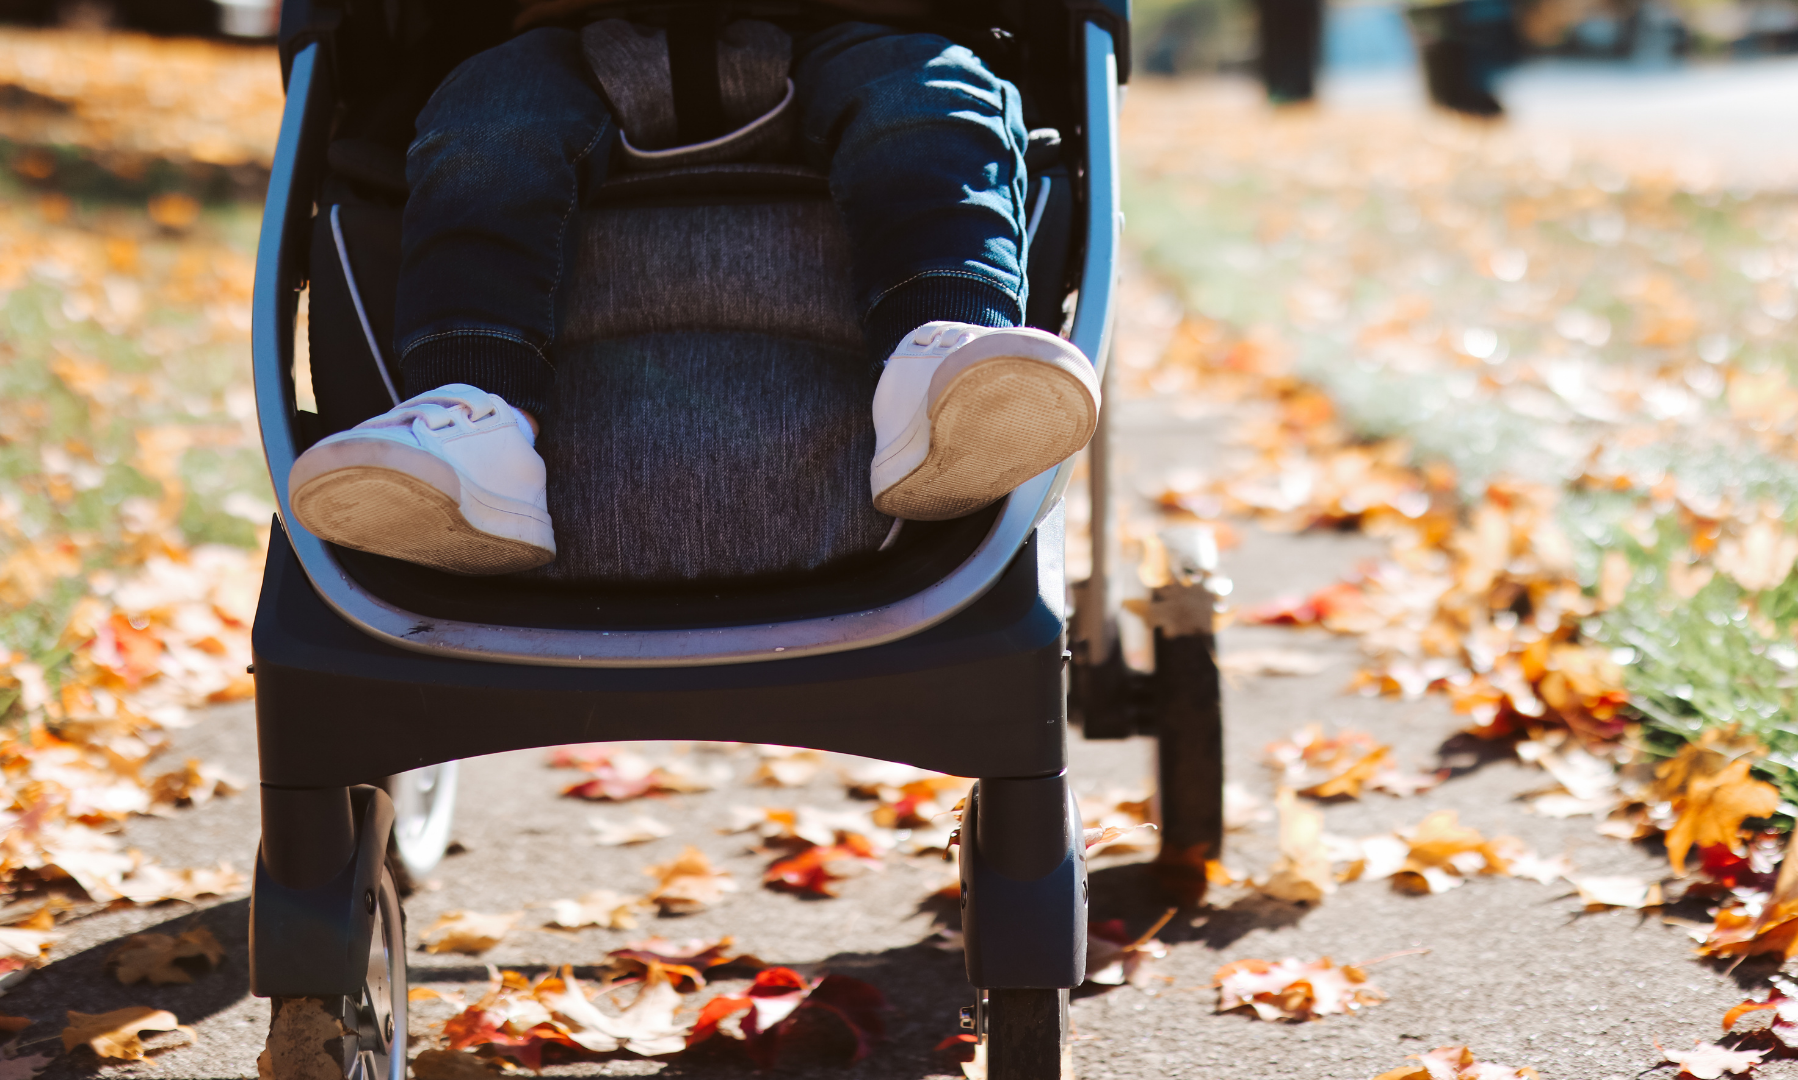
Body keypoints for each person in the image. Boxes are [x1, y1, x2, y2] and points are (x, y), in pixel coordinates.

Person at [286, 10, 1100, 576]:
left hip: (850, 27)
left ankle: (941, 360)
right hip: (564, 39)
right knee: (484, 132)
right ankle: (473, 424)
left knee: (930, 103)